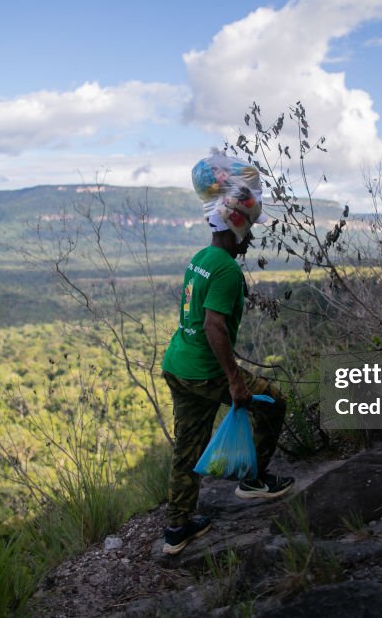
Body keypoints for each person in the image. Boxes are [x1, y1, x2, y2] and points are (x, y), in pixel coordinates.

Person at [160, 179, 294, 555]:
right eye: (248, 228)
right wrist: (235, 380)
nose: (250, 237)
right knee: (273, 403)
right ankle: (253, 481)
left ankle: (177, 529)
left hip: (178, 364)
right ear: (235, 226)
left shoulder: (200, 258)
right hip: (205, 370)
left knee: (188, 446)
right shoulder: (228, 271)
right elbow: (213, 325)